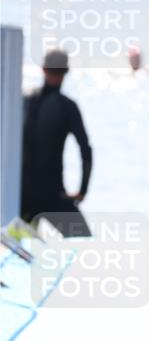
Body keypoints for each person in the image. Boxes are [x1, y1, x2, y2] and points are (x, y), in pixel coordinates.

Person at [21, 49, 93, 237]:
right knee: (84, 245)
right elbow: (85, 150)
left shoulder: (23, 100)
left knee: (16, 253)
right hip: (52, 194)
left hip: (21, 196)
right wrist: (82, 191)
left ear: (43, 69)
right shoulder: (67, 107)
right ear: (65, 73)